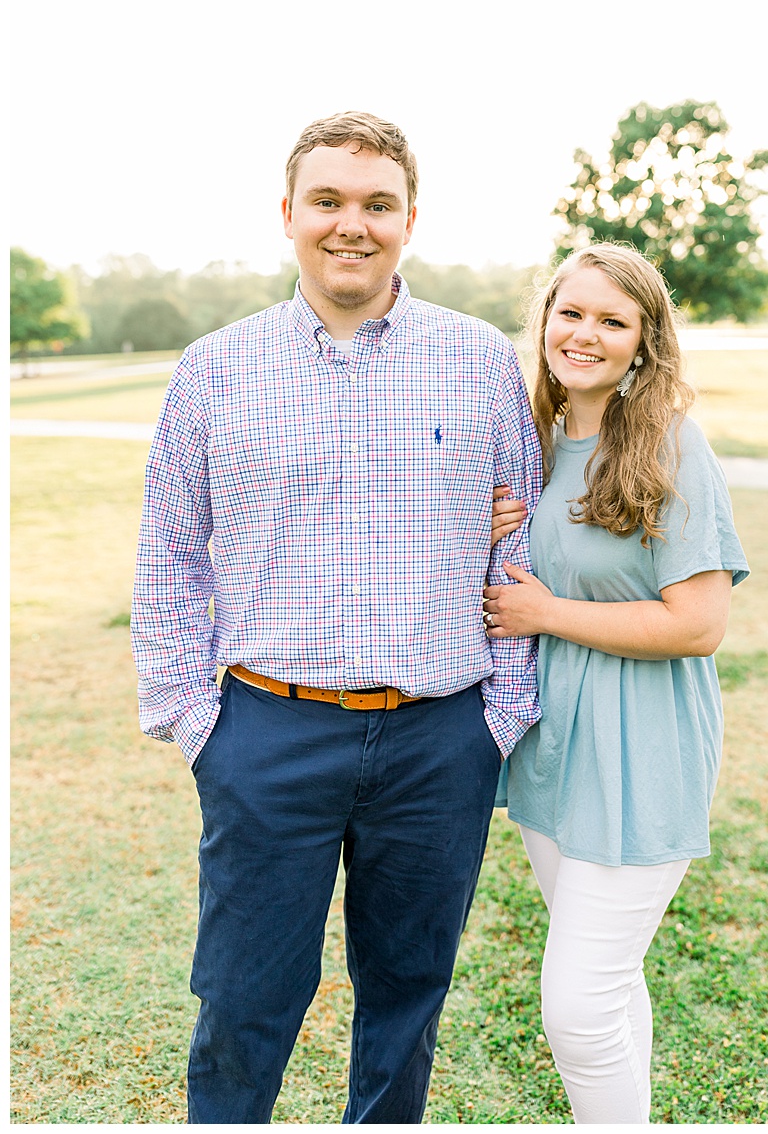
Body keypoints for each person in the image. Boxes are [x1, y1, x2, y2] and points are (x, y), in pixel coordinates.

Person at [133, 111, 543, 1123]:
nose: (350, 224)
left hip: (440, 735)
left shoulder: (479, 359)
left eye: (376, 204)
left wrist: (499, 716)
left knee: (407, 997)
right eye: (327, 200)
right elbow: (169, 552)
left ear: (409, 219)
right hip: (266, 729)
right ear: (288, 213)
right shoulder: (216, 367)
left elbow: (519, 541)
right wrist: (198, 720)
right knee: (243, 999)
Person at [480, 243, 748, 1123]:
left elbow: (698, 624)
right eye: (571, 312)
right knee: (610, 983)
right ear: (545, 320)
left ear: (645, 342)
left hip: (644, 758)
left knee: (579, 1006)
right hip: (557, 754)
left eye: (612, 320)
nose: (584, 334)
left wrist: (549, 614)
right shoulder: (541, 441)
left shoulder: (670, 446)